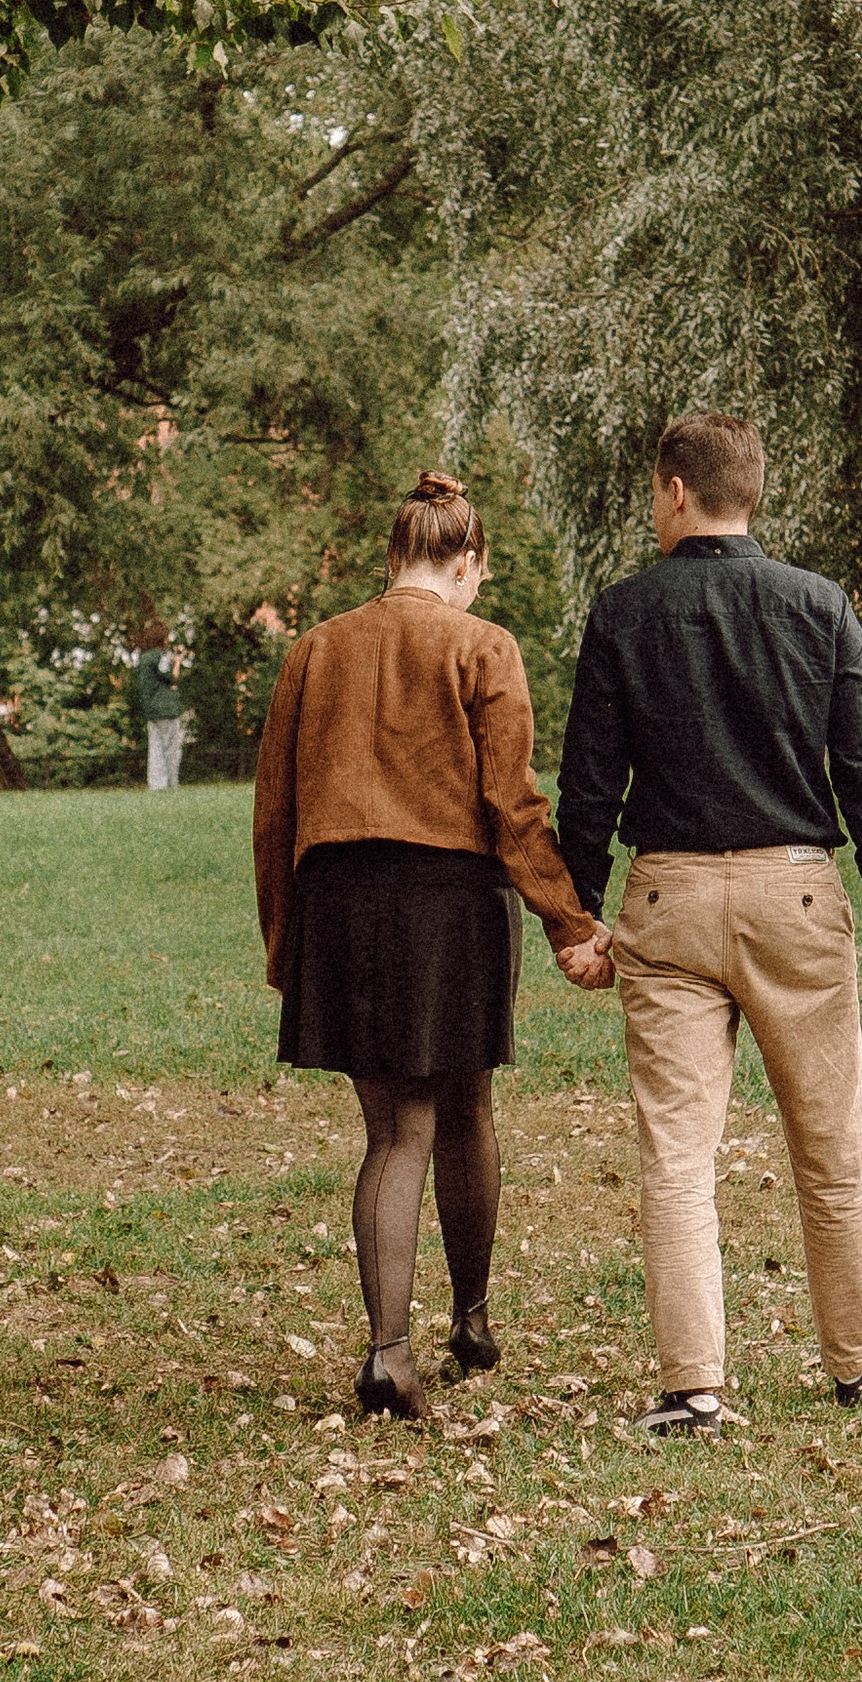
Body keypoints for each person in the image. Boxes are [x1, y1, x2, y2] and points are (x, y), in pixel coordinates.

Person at [555, 410, 862, 1439]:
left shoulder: (623, 612)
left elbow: (588, 781)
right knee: (829, 1143)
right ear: (748, 491)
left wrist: (573, 916)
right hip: (794, 896)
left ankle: (693, 1387)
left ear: (675, 490)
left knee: (677, 1154)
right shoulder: (816, 606)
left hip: (666, 901)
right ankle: (858, 1361)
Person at [252, 469, 606, 1419]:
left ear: (394, 556)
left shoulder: (315, 652)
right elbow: (514, 809)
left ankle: (388, 1349)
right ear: (467, 560)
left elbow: (274, 813)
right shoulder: (483, 647)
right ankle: (475, 1319)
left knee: (392, 1132)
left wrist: (284, 936)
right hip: (451, 902)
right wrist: (571, 922)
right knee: (466, 1112)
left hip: (340, 900)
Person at [131, 635, 190, 789]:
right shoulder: (160, 656)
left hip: (151, 709)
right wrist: (177, 663)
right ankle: (172, 783)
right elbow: (172, 678)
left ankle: (157, 784)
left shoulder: (144, 658)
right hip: (167, 708)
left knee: (155, 748)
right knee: (171, 748)